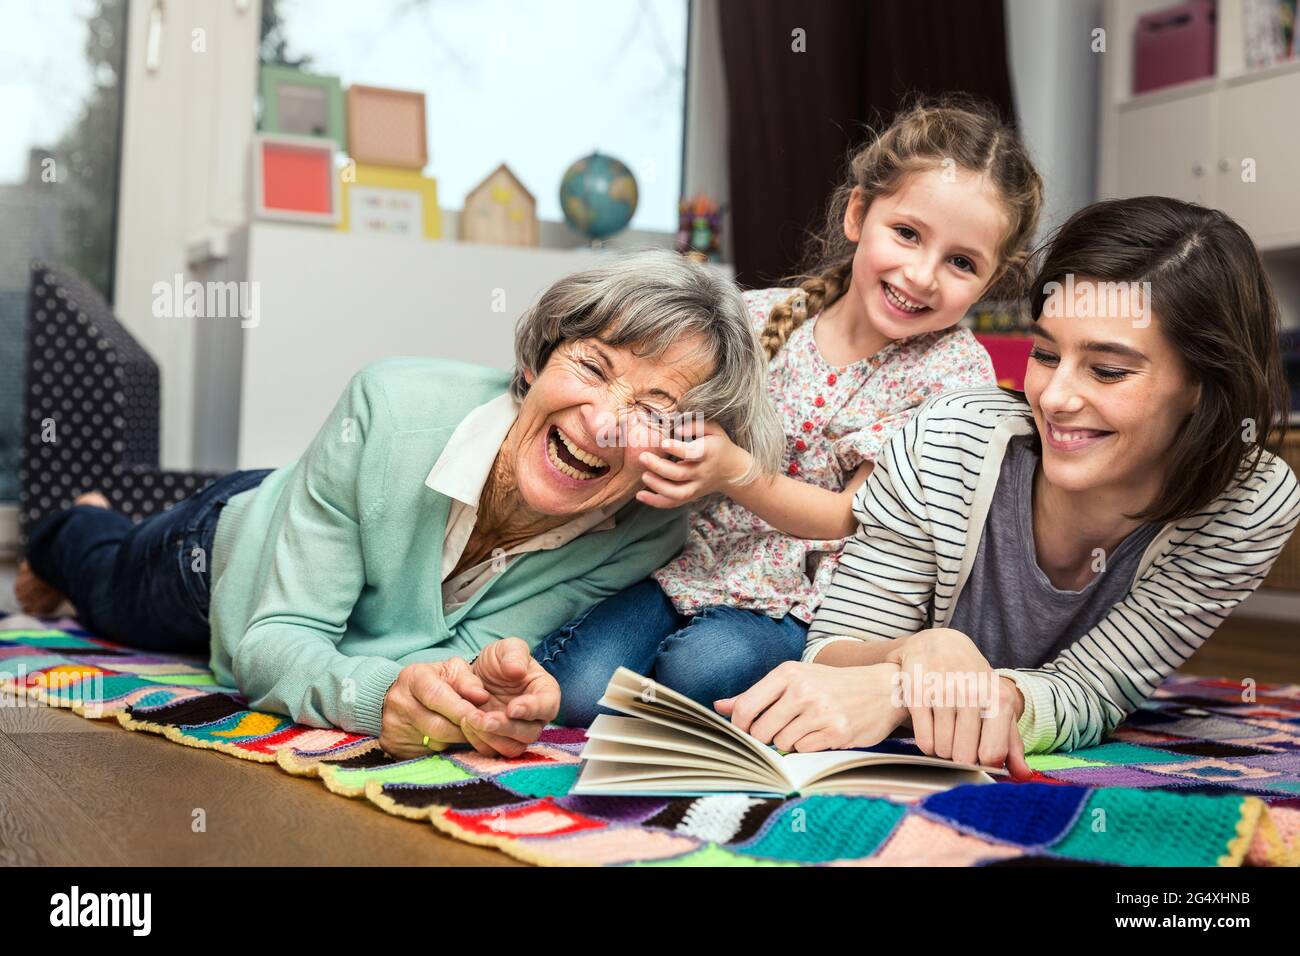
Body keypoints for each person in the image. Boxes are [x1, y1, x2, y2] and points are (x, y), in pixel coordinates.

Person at [16, 249, 783, 760]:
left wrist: (462, 692)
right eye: (591, 366)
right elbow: (272, 639)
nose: (605, 421)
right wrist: (377, 694)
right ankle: (78, 516)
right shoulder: (390, 403)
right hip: (218, 555)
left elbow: (462, 653)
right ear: (537, 359)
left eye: (654, 407)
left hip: (323, 504)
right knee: (101, 577)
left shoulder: (647, 525)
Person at [717, 196, 1300, 778]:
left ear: (1203, 383)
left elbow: (1092, 692)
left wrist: (906, 687)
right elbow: (836, 647)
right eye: (1046, 353)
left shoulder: (1249, 504)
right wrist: (916, 650)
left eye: (1108, 370)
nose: (1054, 397)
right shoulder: (948, 439)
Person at [536, 97, 1044, 725]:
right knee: (577, 690)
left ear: (991, 282)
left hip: (794, 603)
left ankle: (681, 707)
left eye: (961, 262)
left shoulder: (951, 377)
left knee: (703, 671)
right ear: (859, 213)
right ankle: (632, 700)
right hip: (681, 562)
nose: (921, 275)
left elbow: (845, 517)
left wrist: (733, 472)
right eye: (907, 234)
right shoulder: (758, 316)